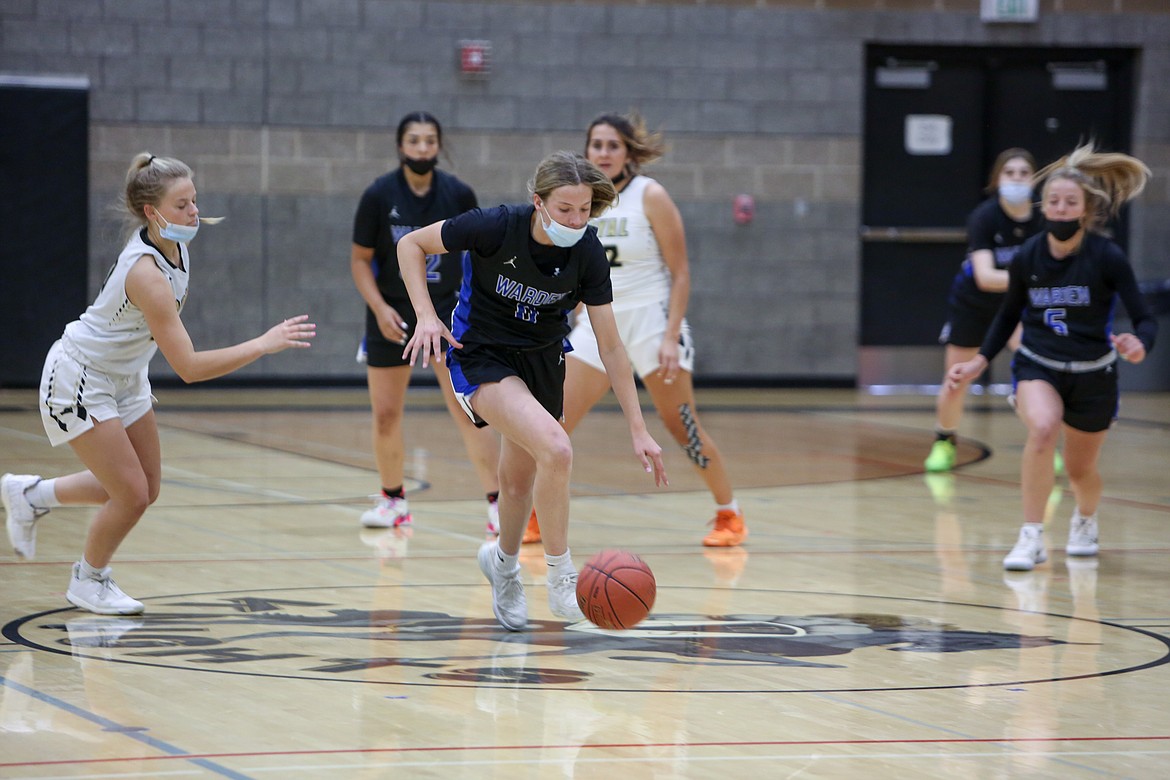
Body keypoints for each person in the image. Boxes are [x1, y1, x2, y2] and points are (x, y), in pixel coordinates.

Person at [2, 153, 316, 614]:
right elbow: (188, 367)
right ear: (153, 213)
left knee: (146, 487)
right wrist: (262, 344)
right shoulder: (147, 274)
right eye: (183, 205)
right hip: (81, 377)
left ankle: (29, 495)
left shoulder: (175, 246)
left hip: (125, 375)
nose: (194, 213)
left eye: (195, 201)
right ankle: (88, 579)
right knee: (129, 494)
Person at [397, 150, 668, 631]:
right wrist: (425, 314)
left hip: (544, 362)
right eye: (565, 209)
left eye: (585, 209)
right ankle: (561, 573)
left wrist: (638, 428)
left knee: (518, 483)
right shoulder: (494, 226)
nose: (576, 219)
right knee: (557, 448)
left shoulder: (587, 252)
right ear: (538, 202)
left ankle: (502, 567)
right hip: (481, 356)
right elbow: (411, 246)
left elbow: (611, 346)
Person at [524, 112, 746, 548]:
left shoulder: (651, 195)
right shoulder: (579, 198)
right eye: (596, 145)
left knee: (682, 425)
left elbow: (680, 272)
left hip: (650, 323)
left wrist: (670, 335)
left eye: (612, 145)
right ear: (586, 151)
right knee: (552, 425)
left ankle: (729, 513)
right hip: (595, 325)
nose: (603, 153)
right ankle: (533, 516)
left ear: (628, 152)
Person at [947, 142, 1155, 572]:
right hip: (1038, 363)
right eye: (1054, 201)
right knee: (1042, 430)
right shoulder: (1028, 256)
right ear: (1045, 207)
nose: (1060, 209)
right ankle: (1031, 535)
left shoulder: (1107, 257)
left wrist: (1140, 343)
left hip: (1093, 373)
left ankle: (1085, 519)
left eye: (1069, 202)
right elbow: (1007, 317)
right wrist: (979, 362)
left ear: (1085, 210)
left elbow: (1144, 317)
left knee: (1081, 472)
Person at [351, 111, 501, 534]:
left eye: (429, 140)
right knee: (385, 414)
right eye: (414, 140)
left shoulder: (458, 194)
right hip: (395, 316)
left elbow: (482, 256)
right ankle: (393, 500)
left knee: (470, 410)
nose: (421, 148)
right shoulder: (379, 196)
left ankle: (498, 503)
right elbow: (361, 261)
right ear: (401, 146)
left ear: (438, 146)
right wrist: (380, 308)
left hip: (448, 315)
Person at [926, 148, 1044, 472]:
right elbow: (986, 277)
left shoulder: (1044, 218)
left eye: (1024, 172)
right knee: (957, 378)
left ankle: (1044, 441)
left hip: (1019, 306)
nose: (1017, 178)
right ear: (997, 180)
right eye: (1010, 173)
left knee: (1038, 373)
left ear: (1034, 180)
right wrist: (1032, 278)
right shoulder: (985, 217)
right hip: (974, 303)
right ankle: (944, 440)